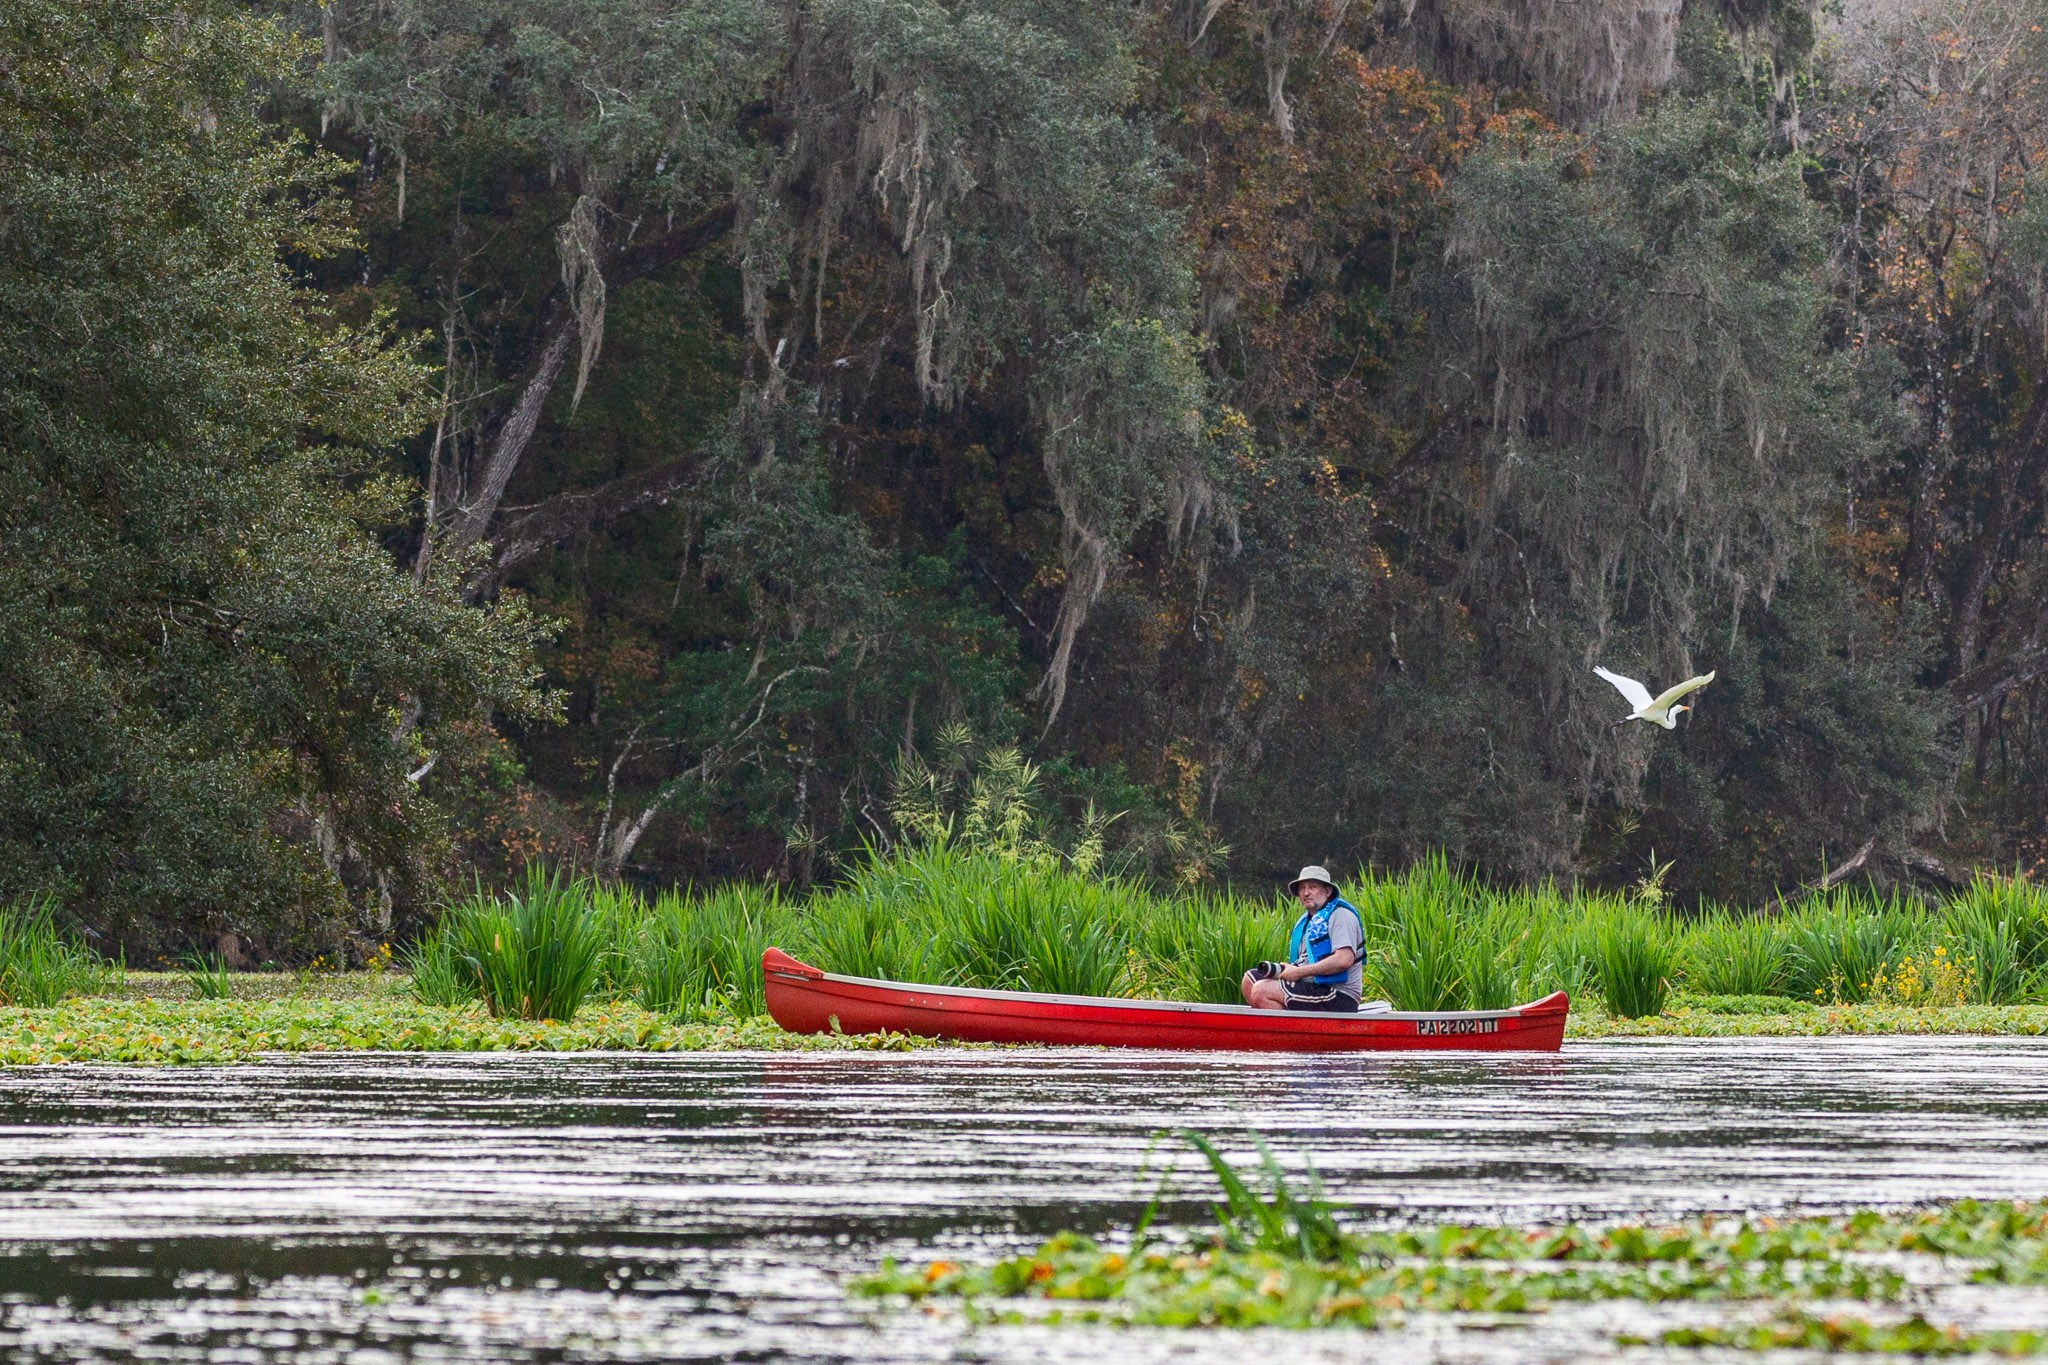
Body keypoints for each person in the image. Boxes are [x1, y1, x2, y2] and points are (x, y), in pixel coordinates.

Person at [1240, 865, 1364, 1012]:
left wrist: (1298, 972)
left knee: (1262, 990)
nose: (1306, 893)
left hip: (1339, 995)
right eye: (1302, 888)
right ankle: (1288, 1029)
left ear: (1327, 891)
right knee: (1249, 980)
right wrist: (1288, 969)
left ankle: (1290, 1034)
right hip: (1312, 985)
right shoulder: (1308, 922)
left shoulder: (1341, 916)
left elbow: (1344, 959)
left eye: (1312, 887)